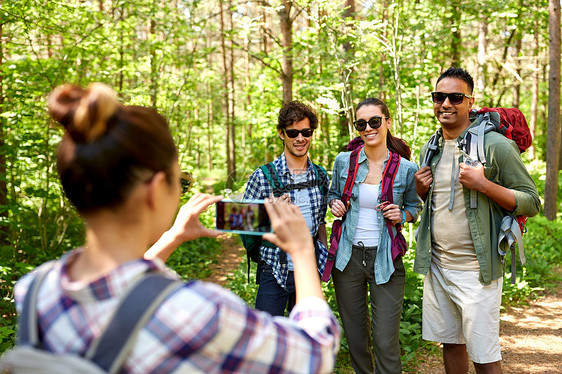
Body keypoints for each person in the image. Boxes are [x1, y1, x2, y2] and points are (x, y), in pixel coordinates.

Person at [12, 83, 340, 373]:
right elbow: (316, 352)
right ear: (156, 190)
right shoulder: (198, 313)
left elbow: (119, 288)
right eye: (180, 182)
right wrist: (301, 250)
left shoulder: (35, 290)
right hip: (277, 270)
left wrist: (172, 238)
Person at [414, 67, 540, 374]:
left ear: (471, 102)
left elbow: (531, 200)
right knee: (451, 343)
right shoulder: (430, 148)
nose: (445, 103)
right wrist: (420, 191)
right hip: (438, 265)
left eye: (455, 97)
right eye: (439, 96)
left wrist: (485, 185)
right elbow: (438, 205)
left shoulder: (495, 146)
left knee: (484, 355)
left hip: (477, 271)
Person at [328, 98, 422, 374]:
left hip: (386, 260)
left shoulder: (405, 168)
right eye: (361, 123)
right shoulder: (344, 161)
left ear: (387, 122)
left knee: (384, 341)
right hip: (347, 260)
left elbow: (415, 207)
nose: (368, 128)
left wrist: (402, 215)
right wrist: (335, 204)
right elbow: (334, 194)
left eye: (374, 121)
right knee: (356, 340)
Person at [243, 100, 329, 316]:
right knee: (265, 332)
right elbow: (241, 224)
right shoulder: (262, 176)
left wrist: (325, 259)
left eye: (306, 132)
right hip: (274, 267)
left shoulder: (320, 176)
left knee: (307, 333)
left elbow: (320, 222)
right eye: (293, 133)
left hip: (310, 268)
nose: (300, 138)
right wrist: (267, 216)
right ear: (281, 134)